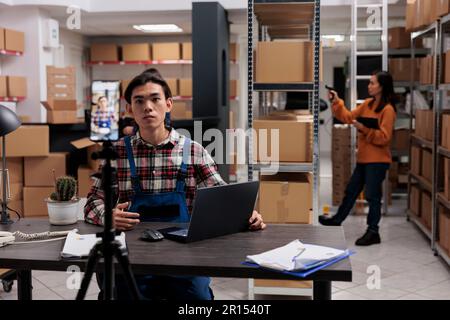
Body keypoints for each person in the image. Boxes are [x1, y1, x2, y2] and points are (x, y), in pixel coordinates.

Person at [84, 69, 266, 300]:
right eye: (139, 101)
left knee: (198, 300)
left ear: (168, 104)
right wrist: (107, 216)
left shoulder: (193, 151)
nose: (147, 107)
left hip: (185, 256)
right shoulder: (116, 153)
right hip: (131, 255)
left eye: (155, 99)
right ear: (129, 109)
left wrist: (248, 215)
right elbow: (91, 202)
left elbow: (222, 198)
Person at [319, 71, 397, 246]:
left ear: (382, 87)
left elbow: (385, 137)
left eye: (372, 83)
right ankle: (337, 219)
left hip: (378, 161)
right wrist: (336, 101)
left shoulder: (388, 110)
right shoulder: (367, 104)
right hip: (364, 159)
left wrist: (364, 129)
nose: (369, 86)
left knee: (372, 196)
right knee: (351, 190)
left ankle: (373, 232)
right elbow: (347, 117)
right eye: (369, 82)